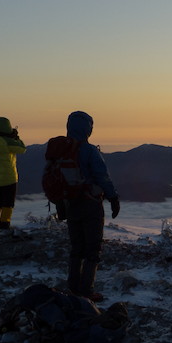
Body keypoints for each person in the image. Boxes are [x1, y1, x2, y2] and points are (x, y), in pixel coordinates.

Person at [64, 111, 120, 300]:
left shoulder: (61, 150)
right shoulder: (89, 151)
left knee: (76, 247)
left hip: (70, 203)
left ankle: (72, 288)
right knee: (92, 248)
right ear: (88, 128)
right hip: (90, 203)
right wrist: (113, 198)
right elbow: (102, 176)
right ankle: (86, 291)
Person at [0, 116, 27, 232]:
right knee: (8, 203)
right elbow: (22, 149)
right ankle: (4, 226)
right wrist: (16, 137)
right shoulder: (7, 142)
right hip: (9, 178)